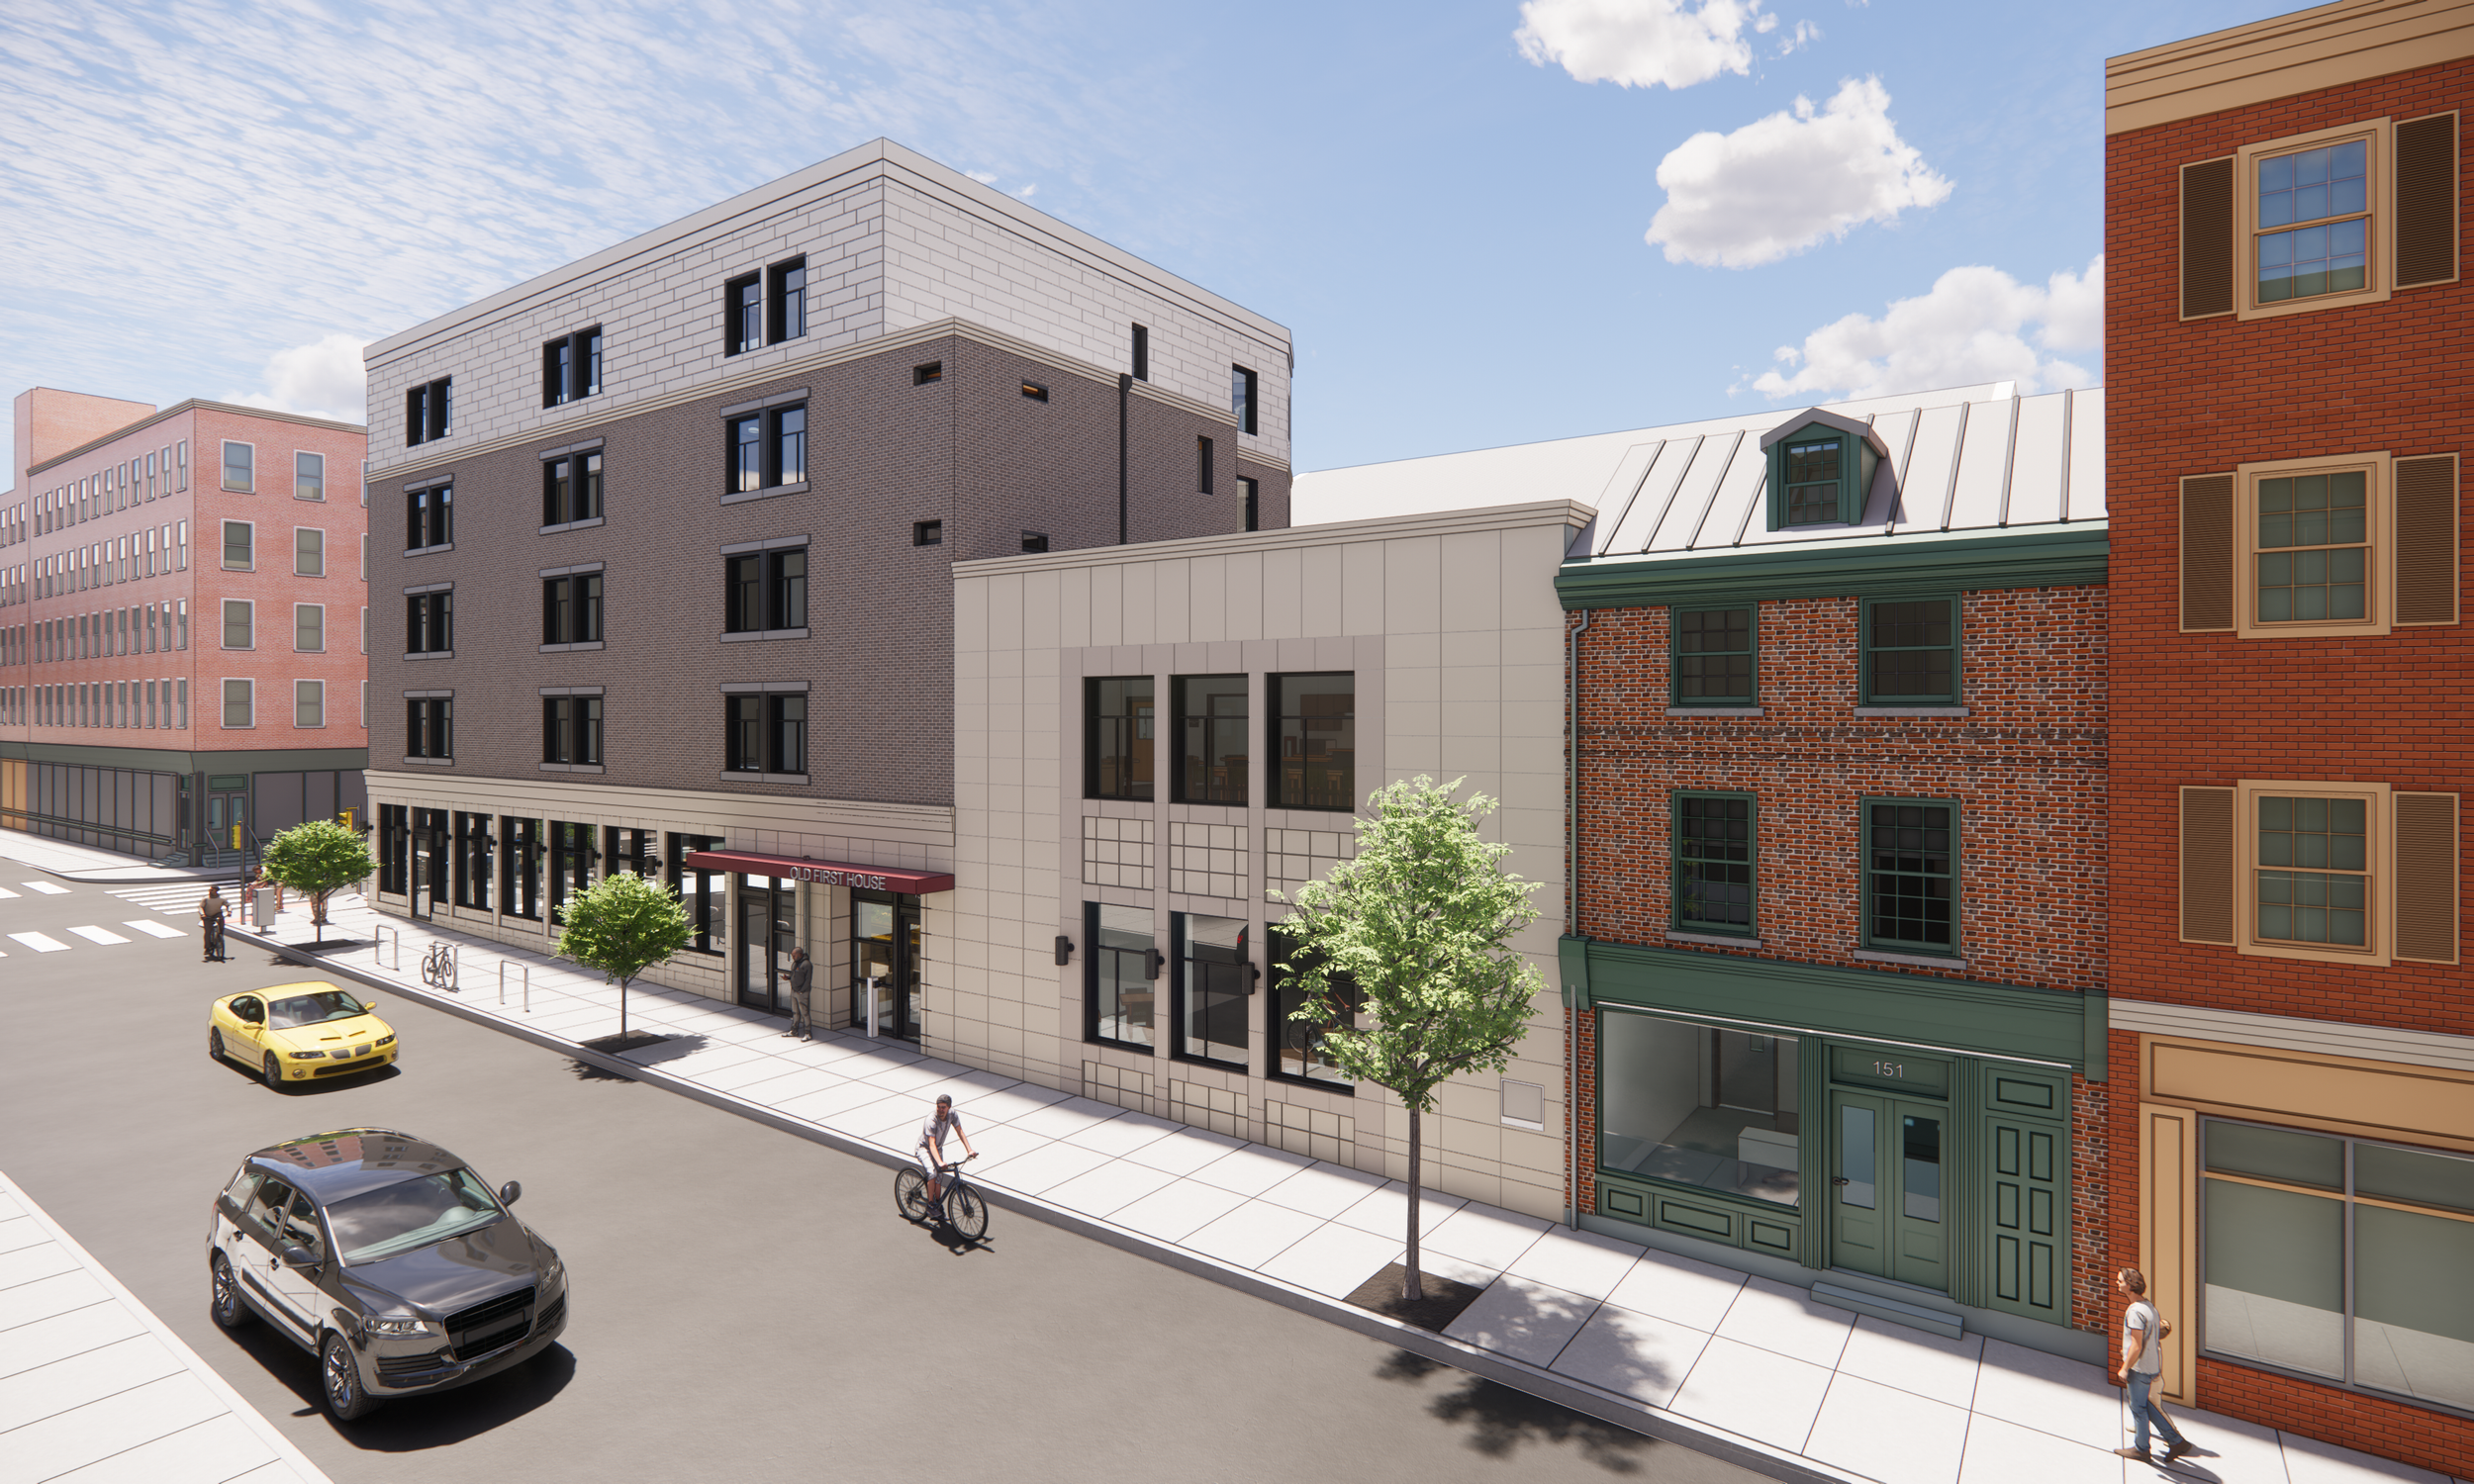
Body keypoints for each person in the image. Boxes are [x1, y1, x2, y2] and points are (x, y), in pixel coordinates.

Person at [2114, 1268, 2193, 1465]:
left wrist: (2125, 1368)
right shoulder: (2149, 1306)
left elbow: (2137, 1345)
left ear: (2130, 1285)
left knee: (2138, 1408)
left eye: (2120, 1281)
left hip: (2139, 1368)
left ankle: (2142, 1450)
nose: (2117, 1283)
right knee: (2146, 1405)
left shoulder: (2134, 1312)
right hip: (2152, 1366)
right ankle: (2177, 1441)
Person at [915, 1094, 976, 1214]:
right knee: (932, 1172)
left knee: (939, 1177)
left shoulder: (952, 1114)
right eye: (938, 1107)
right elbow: (931, 1144)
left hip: (937, 1148)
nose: (940, 1110)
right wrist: (939, 1162)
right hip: (924, 1148)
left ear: (949, 1107)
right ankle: (931, 1205)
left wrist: (969, 1150)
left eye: (943, 1107)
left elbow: (960, 1131)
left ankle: (938, 1204)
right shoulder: (931, 1120)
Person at [782, 947, 813, 1039]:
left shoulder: (806, 964)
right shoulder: (795, 963)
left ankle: (808, 1033)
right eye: (792, 955)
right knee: (795, 1012)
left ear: (800, 954)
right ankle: (794, 1030)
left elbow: (808, 980)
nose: (793, 957)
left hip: (802, 993)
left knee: (804, 1013)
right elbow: (793, 975)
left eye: (794, 955)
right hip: (794, 991)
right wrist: (787, 978)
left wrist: (801, 991)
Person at [199, 884, 227, 963]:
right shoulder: (206, 899)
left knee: (221, 930)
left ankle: (220, 940)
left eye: (212, 890)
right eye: (210, 890)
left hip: (217, 915)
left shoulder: (222, 898)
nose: (210, 891)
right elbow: (200, 907)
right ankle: (208, 947)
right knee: (208, 932)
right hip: (208, 916)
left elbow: (228, 905)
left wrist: (229, 911)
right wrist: (202, 914)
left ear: (216, 891)